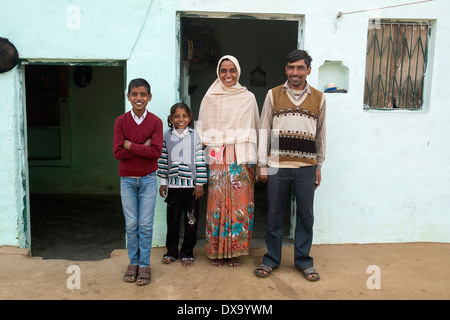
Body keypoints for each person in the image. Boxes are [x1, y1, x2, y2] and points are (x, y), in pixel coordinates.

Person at [255, 50, 326, 281]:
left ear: (308, 70)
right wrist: (262, 164)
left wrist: (319, 166)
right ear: (286, 69)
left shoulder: (319, 97)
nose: (295, 72)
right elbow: (264, 129)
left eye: (300, 67)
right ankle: (271, 260)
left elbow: (321, 134)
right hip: (277, 164)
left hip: (306, 166)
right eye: (291, 67)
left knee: (306, 215)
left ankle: (304, 262)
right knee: (274, 213)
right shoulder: (273, 94)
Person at [197, 55, 259, 267]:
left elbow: (255, 128)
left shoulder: (248, 97)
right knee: (217, 204)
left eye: (232, 70)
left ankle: (234, 251)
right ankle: (217, 251)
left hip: (242, 157)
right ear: (218, 72)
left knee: (240, 205)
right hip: (217, 157)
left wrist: (258, 160)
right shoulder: (210, 97)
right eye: (224, 70)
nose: (228, 75)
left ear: (238, 71)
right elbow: (203, 129)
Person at [113, 78, 163, 286]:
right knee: (131, 224)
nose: (139, 98)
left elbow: (156, 153)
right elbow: (117, 152)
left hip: (149, 180)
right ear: (128, 97)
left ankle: (144, 265)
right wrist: (143, 147)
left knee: (145, 224)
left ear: (149, 97)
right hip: (127, 181)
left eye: (143, 94)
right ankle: (133, 262)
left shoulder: (156, 122)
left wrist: (130, 145)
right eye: (134, 94)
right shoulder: (121, 121)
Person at [157, 103, 207, 267]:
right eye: (176, 116)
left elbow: (200, 161)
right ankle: (171, 251)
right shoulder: (166, 136)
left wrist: (199, 183)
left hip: (191, 189)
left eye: (184, 116)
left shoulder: (195, 136)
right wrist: (163, 182)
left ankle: (187, 252)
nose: (180, 119)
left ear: (190, 118)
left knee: (191, 221)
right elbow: (163, 159)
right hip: (173, 188)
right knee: (172, 221)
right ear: (171, 119)